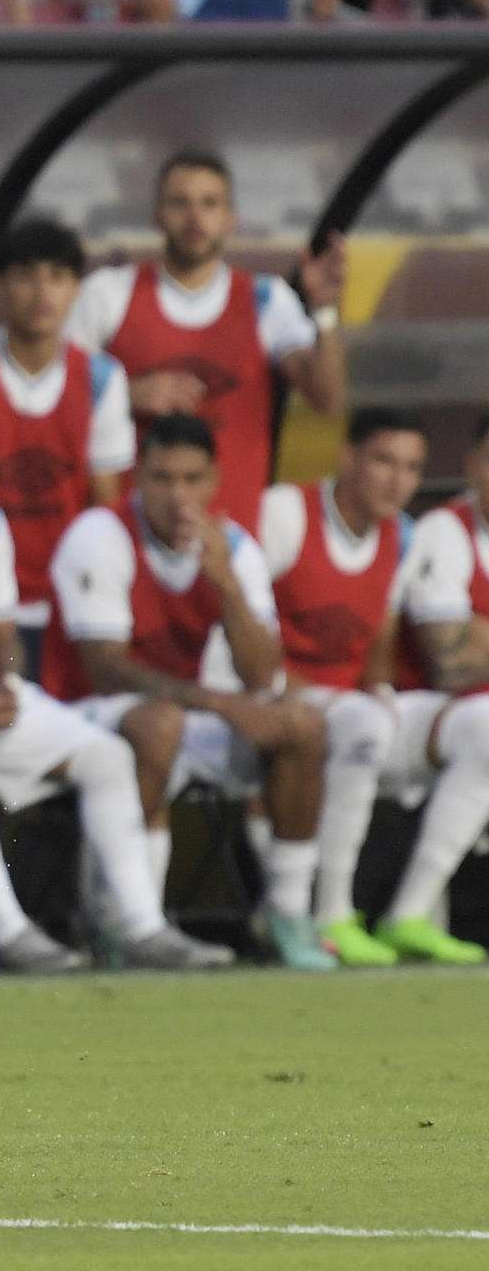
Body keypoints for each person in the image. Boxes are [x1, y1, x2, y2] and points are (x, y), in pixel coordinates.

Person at [0, 382, 230, 972]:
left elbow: (2, 633)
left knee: (109, 756)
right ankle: (12, 933)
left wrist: (7, 686)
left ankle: (140, 925)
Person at [44, 415, 334, 969]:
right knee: (159, 724)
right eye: (162, 478)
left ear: (214, 482)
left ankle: (286, 911)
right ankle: (124, 918)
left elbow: (261, 676)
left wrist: (226, 589)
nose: (178, 496)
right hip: (84, 713)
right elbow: (104, 667)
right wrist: (222, 704)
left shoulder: (231, 548)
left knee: (304, 725)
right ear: (139, 480)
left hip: (179, 709)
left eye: (192, 479)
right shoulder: (100, 534)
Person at [65, 147, 347, 529]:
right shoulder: (109, 294)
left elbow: (327, 399)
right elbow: (53, 405)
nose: (195, 217)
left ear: (230, 218)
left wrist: (325, 313)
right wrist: (125, 395)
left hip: (231, 540)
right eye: (180, 203)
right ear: (157, 216)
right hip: (131, 544)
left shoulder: (266, 300)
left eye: (210, 204)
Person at [258, 410, 423, 966]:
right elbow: (236, 617)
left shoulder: (403, 535)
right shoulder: (287, 512)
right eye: (383, 461)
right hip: (259, 691)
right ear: (348, 457)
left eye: (411, 468)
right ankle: (329, 910)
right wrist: (284, 687)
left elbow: (382, 631)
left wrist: (378, 687)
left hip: (337, 704)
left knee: (378, 721)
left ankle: (405, 913)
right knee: (362, 725)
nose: (396, 481)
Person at [0, 217, 133, 670]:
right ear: (1, 284)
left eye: (57, 277)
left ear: (76, 287)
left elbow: (106, 505)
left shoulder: (101, 378)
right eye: (26, 276)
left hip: (65, 605)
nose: (41, 292)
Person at [372, 416, 489, 965]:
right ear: (472, 465)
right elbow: (448, 662)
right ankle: (410, 912)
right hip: (415, 715)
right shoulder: (446, 531)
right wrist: (467, 644)